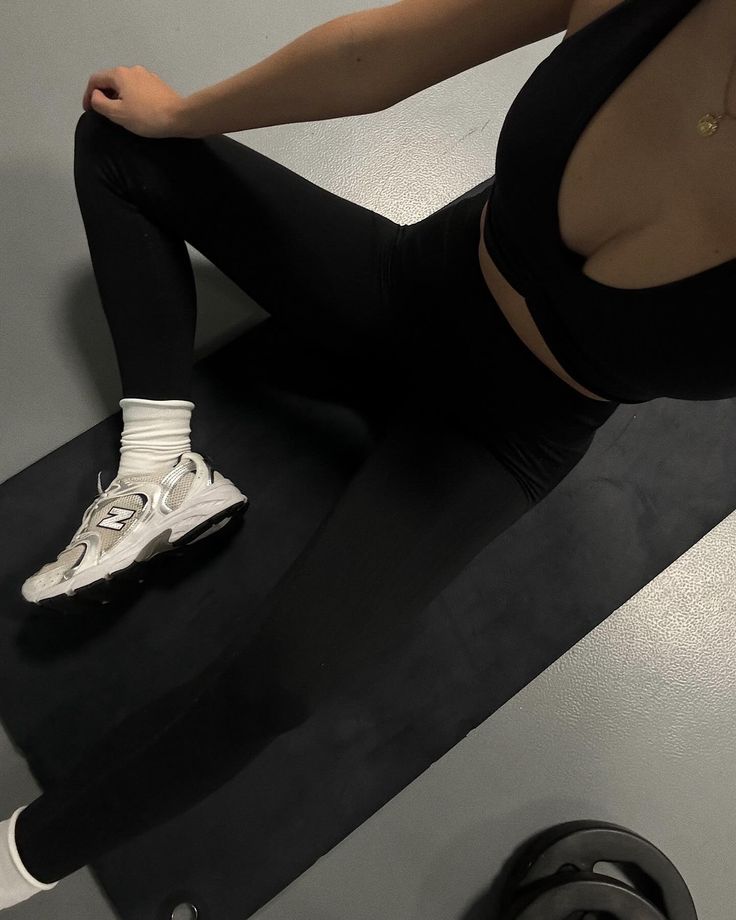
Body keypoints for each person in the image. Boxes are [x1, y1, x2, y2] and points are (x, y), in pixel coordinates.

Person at [4, 0, 728, 909]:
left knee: (278, 687)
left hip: (502, 433)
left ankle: (23, 855)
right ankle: (161, 472)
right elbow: (374, 56)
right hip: (418, 285)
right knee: (120, 141)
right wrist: (184, 115)